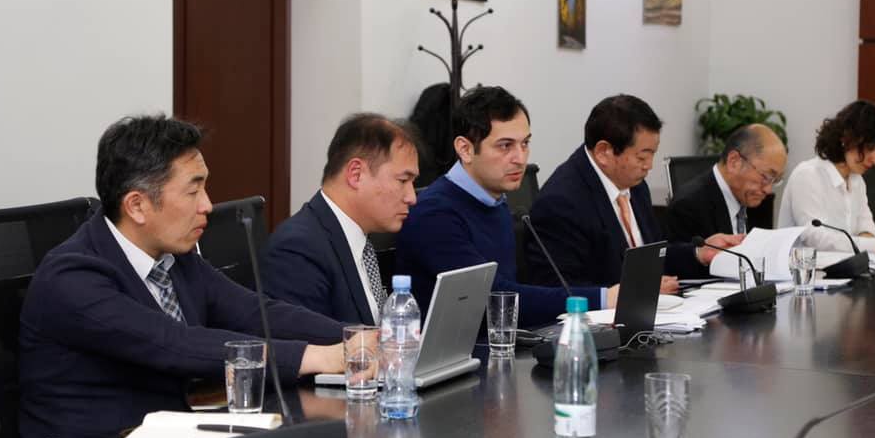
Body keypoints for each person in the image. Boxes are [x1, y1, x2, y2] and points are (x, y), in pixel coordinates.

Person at [19, 115, 347, 438]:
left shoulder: (176, 258)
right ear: (137, 205)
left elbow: (255, 312)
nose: (207, 205)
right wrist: (316, 357)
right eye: (193, 191)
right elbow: (173, 343)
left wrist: (356, 339)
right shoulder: (71, 277)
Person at [395, 86, 617, 329]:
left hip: (503, 340)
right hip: (456, 350)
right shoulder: (434, 215)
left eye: (525, 144)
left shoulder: (495, 201)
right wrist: (601, 299)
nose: (520, 158)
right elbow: (494, 299)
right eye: (505, 146)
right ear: (465, 149)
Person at [526, 95, 742, 290]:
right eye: (642, 157)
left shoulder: (635, 186)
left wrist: (699, 253)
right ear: (603, 152)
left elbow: (652, 257)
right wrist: (641, 290)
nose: (649, 166)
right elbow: (561, 289)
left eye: (652, 155)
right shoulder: (561, 203)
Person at [262, 113, 419, 324]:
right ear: (356, 174)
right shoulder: (296, 251)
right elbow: (312, 341)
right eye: (403, 180)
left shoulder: (361, 238)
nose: (412, 197)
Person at [779, 100, 875, 253]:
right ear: (847, 138)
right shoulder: (807, 175)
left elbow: (866, 228)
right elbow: (815, 238)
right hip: (802, 268)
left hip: (843, 268)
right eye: (871, 147)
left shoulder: (857, 180)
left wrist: (870, 242)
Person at [665, 124, 787, 241]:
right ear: (734, 162)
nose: (768, 190)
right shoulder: (688, 208)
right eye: (766, 176)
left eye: (775, 180)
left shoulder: (755, 202)